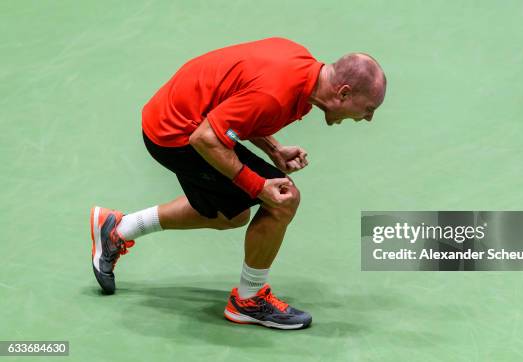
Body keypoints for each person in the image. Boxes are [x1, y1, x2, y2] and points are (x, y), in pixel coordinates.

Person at [90, 37, 386, 330]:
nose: (369, 118)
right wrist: (258, 187)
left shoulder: (301, 71)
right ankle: (249, 300)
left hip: (186, 116)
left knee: (230, 214)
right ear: (344, 93)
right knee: (283, 199)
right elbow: (207, 138)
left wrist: (273, 150)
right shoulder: (277, 95)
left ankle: (119, 228)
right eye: (369, 108)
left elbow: (236, 114)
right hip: (175, 133)